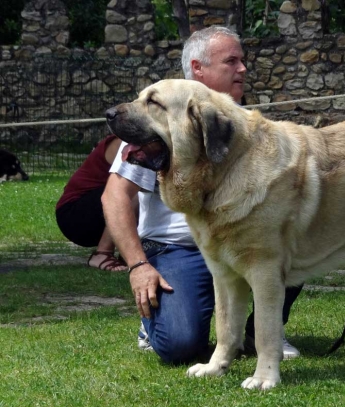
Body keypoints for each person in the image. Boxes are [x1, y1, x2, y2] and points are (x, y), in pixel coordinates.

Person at [101, 26, 303, 365]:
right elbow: (115, 197)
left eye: (243, 61)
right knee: (180, 345)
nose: (243, 69)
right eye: (231, 61)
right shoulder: (153, 120)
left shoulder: (247, 123)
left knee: (297, 240)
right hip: (178, 248)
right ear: (198, 68)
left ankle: (261, 331)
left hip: (243, 238)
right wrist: (138, 265)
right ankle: (156, 322)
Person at [56, 135, 129, 271]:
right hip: (74, 215)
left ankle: (128, 254)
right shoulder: (124, 144)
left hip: (98, 212)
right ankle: (103, 253)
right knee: (131, 189)